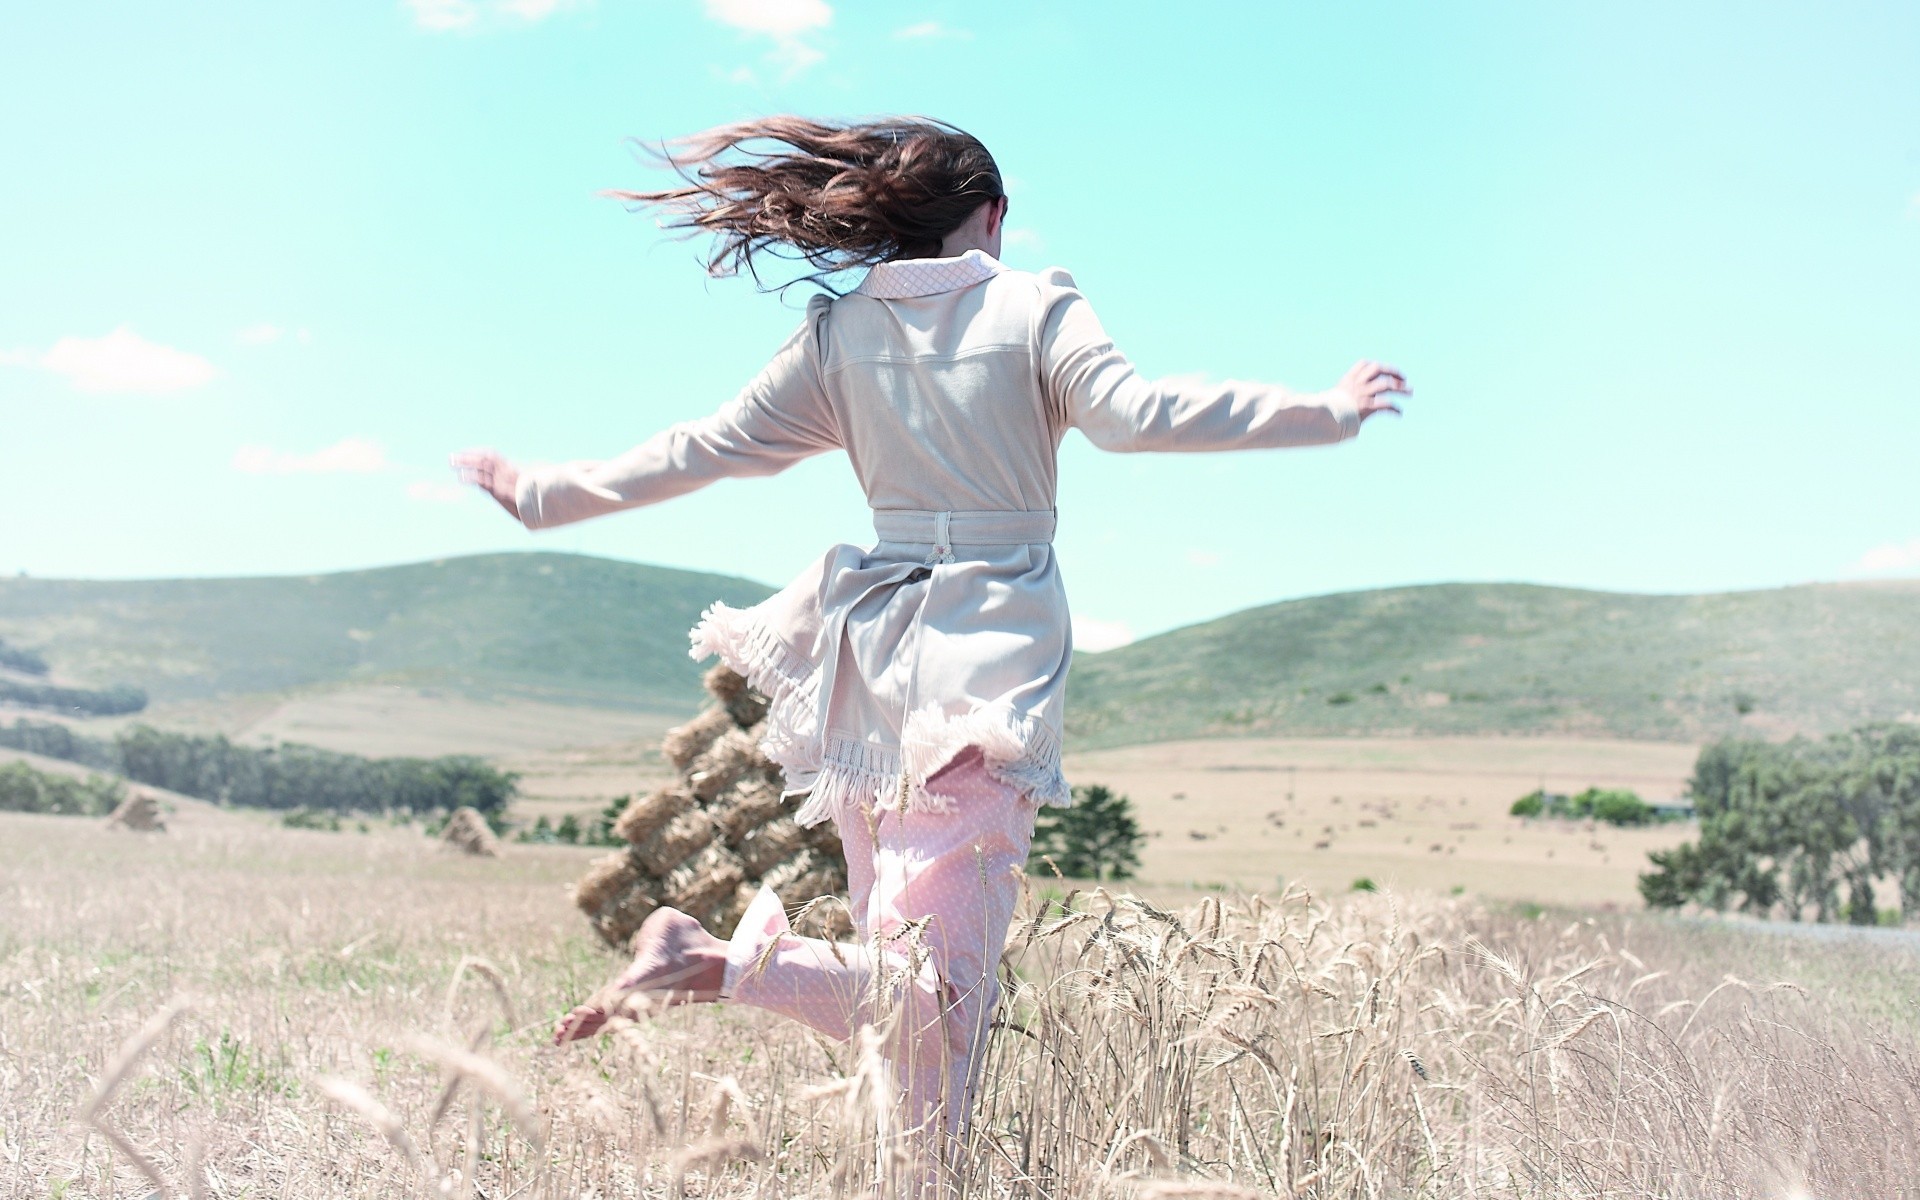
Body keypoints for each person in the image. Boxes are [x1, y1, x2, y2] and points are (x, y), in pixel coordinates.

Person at [453, 115, 1409, 1192]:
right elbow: (1140, 416)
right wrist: (1324, 412)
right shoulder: (1032, 302)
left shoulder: (838, 333)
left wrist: (548, 494)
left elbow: (705, 448)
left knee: (916, 1009)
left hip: (865, 675)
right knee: (937, 993)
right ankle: (714, 962)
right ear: (990, 215)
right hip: (982, 673)